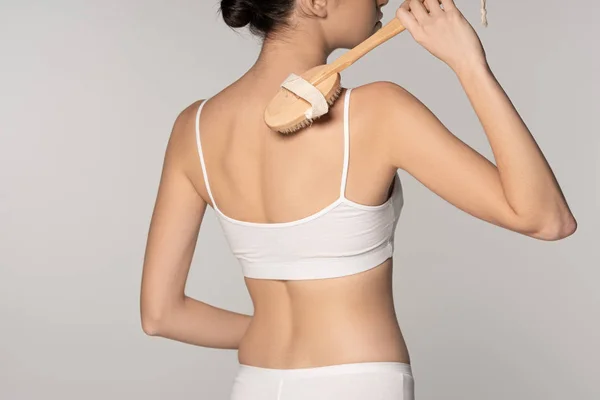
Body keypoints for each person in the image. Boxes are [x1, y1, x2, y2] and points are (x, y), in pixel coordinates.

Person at [140, 0, 577, 398]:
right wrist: (469, 64)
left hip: (255, 382)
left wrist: (265, 330)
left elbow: (161, 314)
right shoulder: (377, 112)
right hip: (360, 382)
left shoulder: (192, 129)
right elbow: (546, 218)